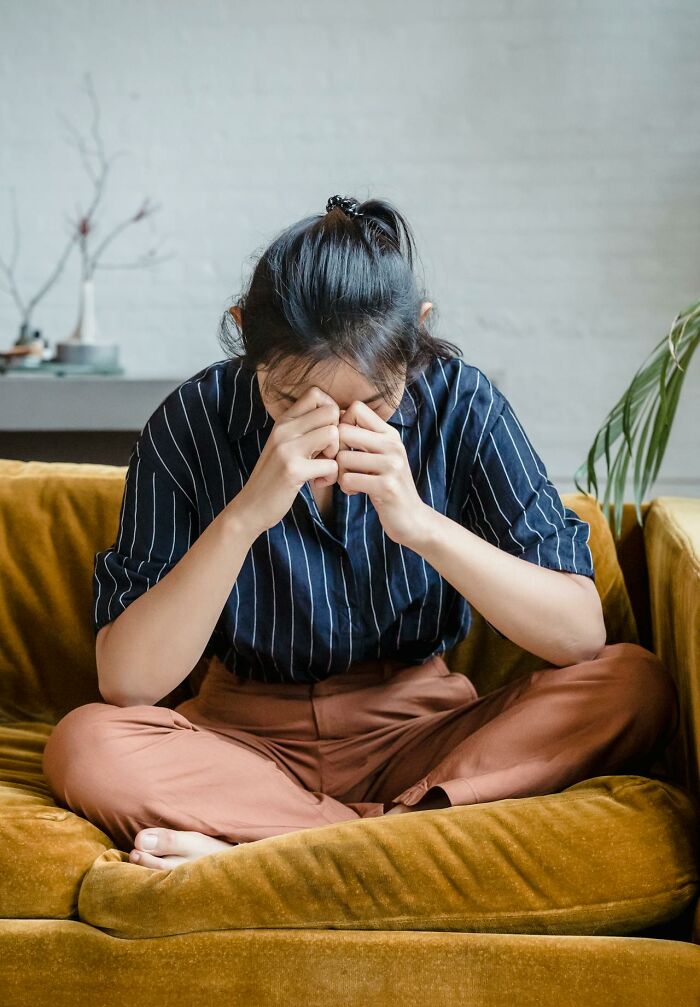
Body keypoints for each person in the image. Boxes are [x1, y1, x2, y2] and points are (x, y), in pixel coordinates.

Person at [41, 195, 679, 870]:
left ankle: (264, 846)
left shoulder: (461, 404)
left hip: (422, 731)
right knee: (85, 746)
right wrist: (244, 516)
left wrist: (420, 525)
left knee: (634, 683)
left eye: (375, 401)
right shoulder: (193, 422)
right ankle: (391, 838)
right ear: (243, 336)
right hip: (242, 742)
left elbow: (579, 635)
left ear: (418, 334)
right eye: (291, 400)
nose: (339, 427)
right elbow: (129, 683)